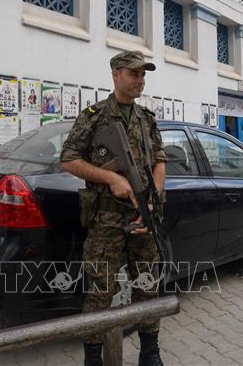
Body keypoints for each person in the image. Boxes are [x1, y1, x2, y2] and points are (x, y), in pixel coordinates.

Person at [60, 50, 167, 366]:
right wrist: (110, 178)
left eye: (143, 75)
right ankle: (93, 358)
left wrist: (154, 196)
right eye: (134, 74)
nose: (140, 80)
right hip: (106, 220)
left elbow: (160, 160)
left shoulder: (147, 119)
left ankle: (150, 352)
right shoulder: (94, 116)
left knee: (148, 286)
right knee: (99, 291)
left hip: (142, 217)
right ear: (115, 74)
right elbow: (68, 159)